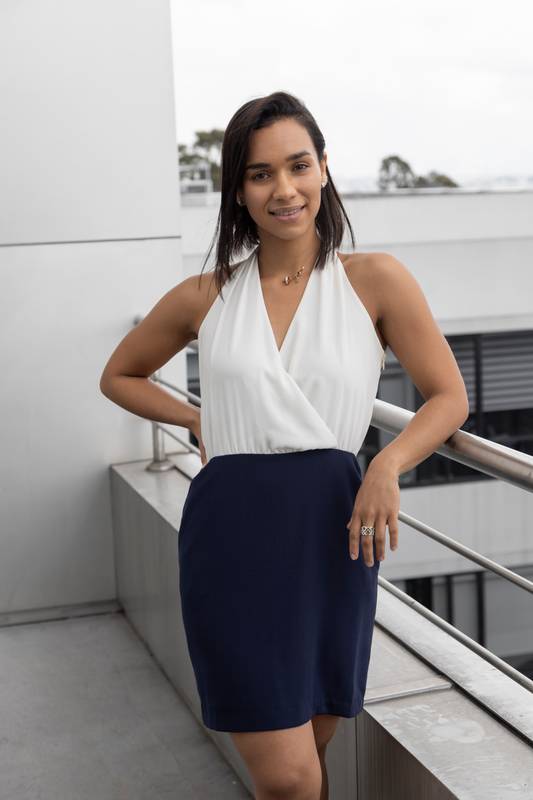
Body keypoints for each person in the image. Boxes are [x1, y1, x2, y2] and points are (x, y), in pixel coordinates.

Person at [100, 91, 469, 800]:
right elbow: (118, 374)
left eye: (297, 166)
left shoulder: (375, 279)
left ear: (324, 169)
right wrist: (200, 420)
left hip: (336, 535)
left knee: (314, 747)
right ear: (237, 191)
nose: (283, 189)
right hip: (230, 538)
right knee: (288, 779)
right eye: (260, 174)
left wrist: (387, 462)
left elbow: (447, 396)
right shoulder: (205, 295)